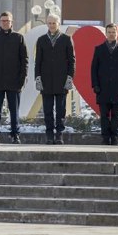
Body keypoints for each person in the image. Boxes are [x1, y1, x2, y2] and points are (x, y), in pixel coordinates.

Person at [0, 12, 28, 144]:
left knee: (14, 111)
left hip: (14, 82)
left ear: (11, 22)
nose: (5, 23)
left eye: (7, 20)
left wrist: (22, 78)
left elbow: (24, 60)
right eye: (3, 20)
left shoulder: (19, 38)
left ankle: (15, 135)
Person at [34, 15, 75, 144]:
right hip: (46, 81)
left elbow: (71, 61)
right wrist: (38, 77)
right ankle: (49, 135)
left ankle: (59, 134)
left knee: (60, 110)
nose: (51, 25)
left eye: (54, 23)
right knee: (47, 110)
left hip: (61, 81)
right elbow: (38, 61)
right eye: (49, 23)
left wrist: (69, 77)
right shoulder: (41, 40)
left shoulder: (66, 39)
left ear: (58, 23)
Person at [91, 23, 118, 145]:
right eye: (109, 32)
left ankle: (114, 137)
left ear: (117, 33)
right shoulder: (99, 49)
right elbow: (94, 69)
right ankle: (105, 138)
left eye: (114, 32)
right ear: (105, 33)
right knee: (104, 115)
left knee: (115, 115)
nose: (111, 34)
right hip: (102, 88)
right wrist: (95, 85)